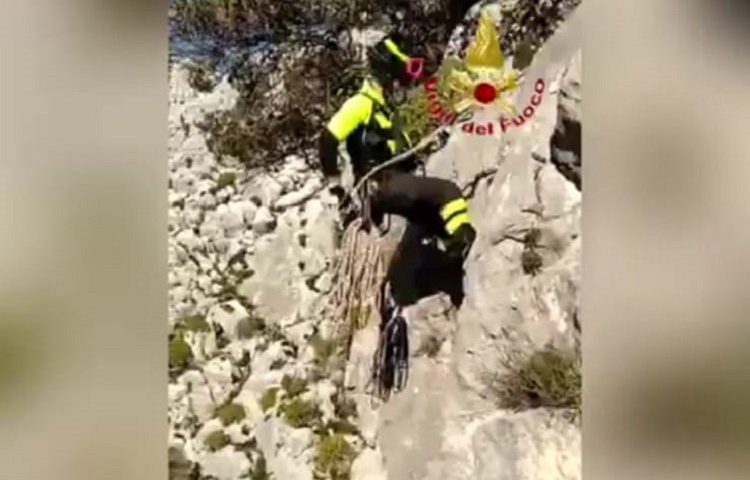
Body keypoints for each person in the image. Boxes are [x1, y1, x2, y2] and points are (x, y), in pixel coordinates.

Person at [318, 35, 476, 260]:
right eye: (397, 81)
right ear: (387, 76)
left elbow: (396, 154)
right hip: (380, 185)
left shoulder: (384, 110)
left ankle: (450, 252)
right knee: (448, 192)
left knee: (429, 214)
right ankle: (466, 242)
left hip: (384, 187)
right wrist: (336, 189)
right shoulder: (361, 104)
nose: (399, 87)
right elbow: (327, 139)